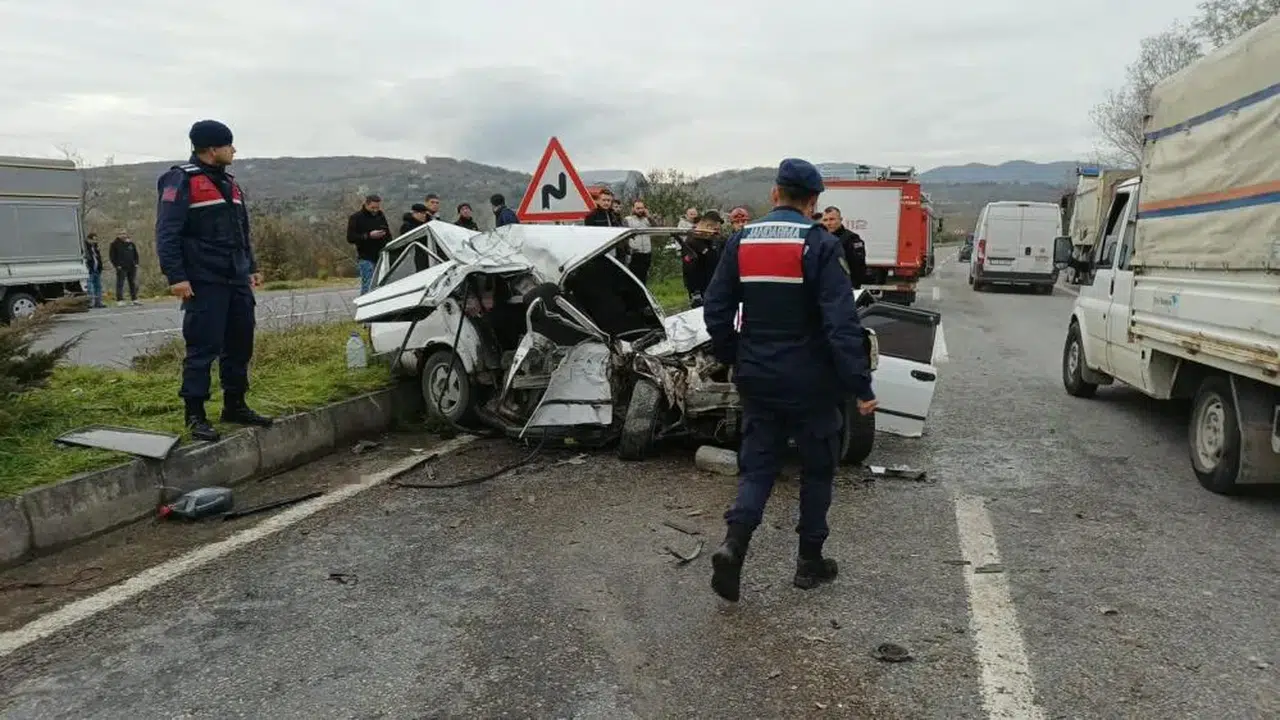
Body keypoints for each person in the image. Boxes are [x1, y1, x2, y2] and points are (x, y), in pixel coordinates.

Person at [702, 158, 878, 603]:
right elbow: (841, 324)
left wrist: (735, 355)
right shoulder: (819, 244)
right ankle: (808, 563)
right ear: (814, 201)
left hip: (758, 375)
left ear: (774, 194)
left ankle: (734, 546)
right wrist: (860, 385)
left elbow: (716, 310)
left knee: (758, 465)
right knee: (818, 469)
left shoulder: (741, 241)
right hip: (812, 381)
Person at [155, 119, 274, 442]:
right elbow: (167, 232)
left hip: (235, 277)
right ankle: (195, 414)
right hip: (203, 279)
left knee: (240, 343)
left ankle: (235, 405)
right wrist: (176, 276)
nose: (234, 150)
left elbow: (242, 230)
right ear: (211, 149)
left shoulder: (230, 183)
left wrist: (251, 265)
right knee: (203, 347)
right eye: (229, 145)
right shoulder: (180, 180)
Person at [347, 194, 392, 294]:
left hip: (381, 255)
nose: (375, 210)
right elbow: (350, 238)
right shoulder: (356, 218)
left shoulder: (381, 216)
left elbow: (388, 234)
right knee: (368, 285)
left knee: (381, 285)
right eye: (373, 208)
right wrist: (368, 236)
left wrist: (385, 236)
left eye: (377, 207)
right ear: (366, 205)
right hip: (365, 257)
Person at [681, 210, 722, 308]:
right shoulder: (692, 242)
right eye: (715, 229)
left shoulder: (709, 240)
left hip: (712, 285)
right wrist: (695, 292)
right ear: (708, 226)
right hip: (701, 290)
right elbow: (689, 269)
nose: (715, 233)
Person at [821, 206, 867, 289]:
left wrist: (853, 286)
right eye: (825, 220)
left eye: (832, 219)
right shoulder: (820, 238)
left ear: (840, 220)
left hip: (844, 287)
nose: (828, 223)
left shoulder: (851, 239)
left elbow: (858, 267)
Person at [623, 199, 654, 284]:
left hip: (647, 252)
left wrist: (649, 217)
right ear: (633, 209)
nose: (640, 210)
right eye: (638, 208)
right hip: (635, 253)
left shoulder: (647, 219)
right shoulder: (628, 219)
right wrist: (628, 250)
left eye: (642, 208)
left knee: (644, 276)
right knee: (634, 278)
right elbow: (624, 238)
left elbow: (657, 227)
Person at [109, 231, 141, 306]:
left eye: (124, 234)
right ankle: (120, 300)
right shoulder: (114, 244)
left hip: (132, 266)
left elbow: (136, 254)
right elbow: (112, 256)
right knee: (120, 283)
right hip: (121, 267)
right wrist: (117, 265)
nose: (123, 235)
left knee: (132, 283)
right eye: (121, 234)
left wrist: (136, 263)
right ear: (118, 235)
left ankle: (134, 299)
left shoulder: (130, 244)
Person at [83, 232, 105, 308]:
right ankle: (91, 302)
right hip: (90, 269)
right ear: (89, 239)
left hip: (97, 269)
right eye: (93, 239)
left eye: (96, 240)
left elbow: (98, 258)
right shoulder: (86, 247)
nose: (95, 241)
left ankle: (98, 302)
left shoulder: (95, 247)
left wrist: (100, 267)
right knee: (90, 287)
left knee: (98, 286)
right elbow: (88, 258)